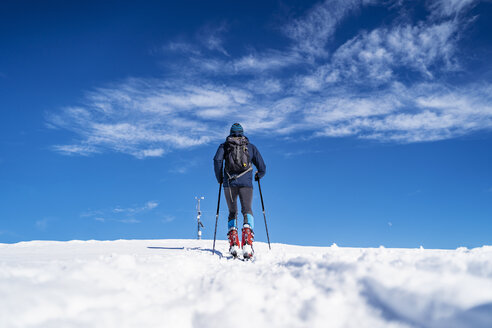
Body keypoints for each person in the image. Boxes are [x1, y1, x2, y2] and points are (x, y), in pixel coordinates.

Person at [213, 123, 266, 258]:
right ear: (242, 133)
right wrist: (258, 175)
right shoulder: (250, 147)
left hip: (229, 183)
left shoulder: (224, 146)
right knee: (247, 210)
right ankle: (247, 244)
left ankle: (234, 244)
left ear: (230, 133)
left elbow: (217, 160)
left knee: (232, 212)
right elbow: (262, 166)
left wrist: (220, 178)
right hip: (246, 183)